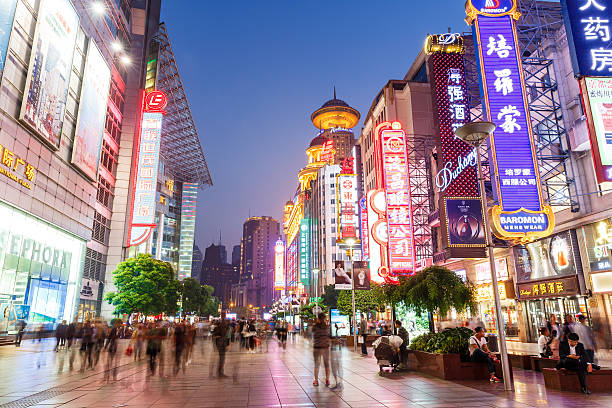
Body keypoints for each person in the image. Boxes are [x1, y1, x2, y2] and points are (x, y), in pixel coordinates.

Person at [312, 313, 331, 387]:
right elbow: (329, 336)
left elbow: (312, 334)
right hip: (325, 347)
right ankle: (327, 380)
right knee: (326, 364)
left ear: (318, 318)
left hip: (317, 347)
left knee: (317, 364)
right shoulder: (327, 327)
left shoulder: (315, 327)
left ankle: (316, 380)